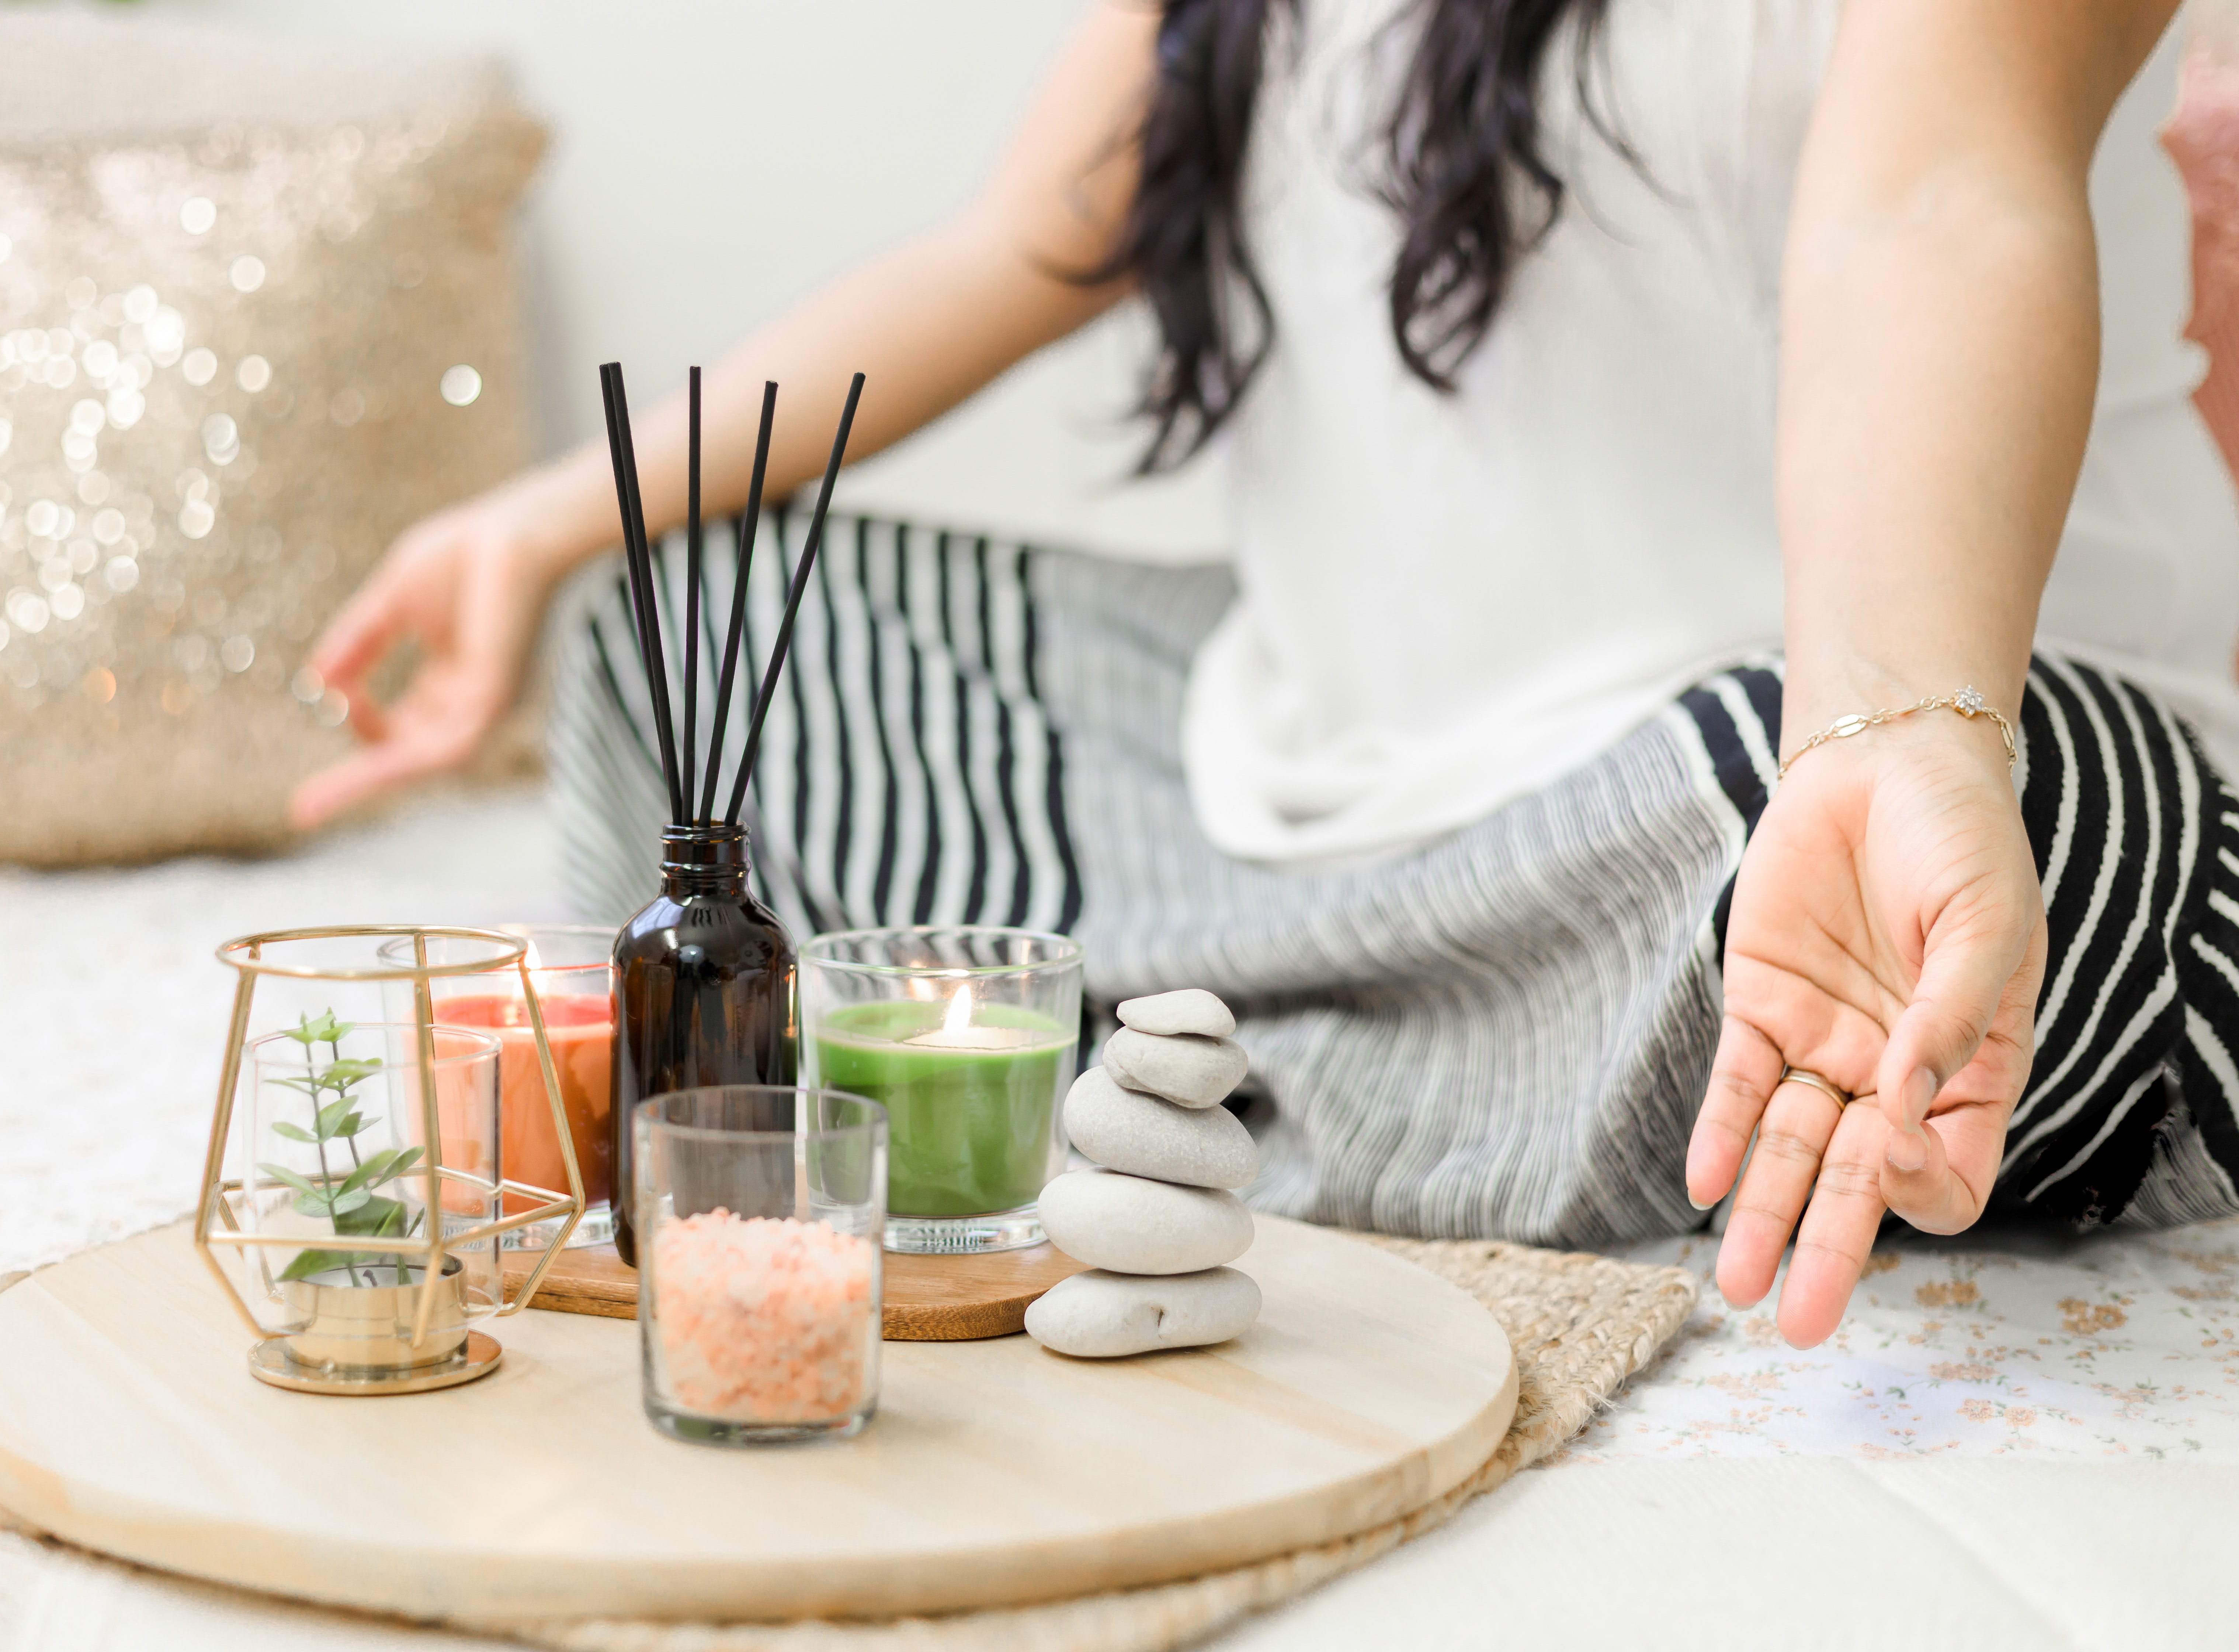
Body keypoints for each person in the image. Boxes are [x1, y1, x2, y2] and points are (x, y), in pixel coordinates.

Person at [293, 0, 2239, 1346]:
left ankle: (1185, 1076)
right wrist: (542, 526)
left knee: (2026, 846)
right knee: (694, 629)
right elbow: (1021, 245)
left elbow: (1934, 197)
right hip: (1309, 798)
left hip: (1805, 777)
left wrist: (1898, 720)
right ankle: (1346, 1072)